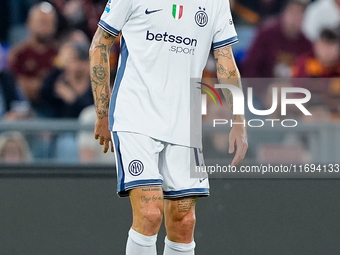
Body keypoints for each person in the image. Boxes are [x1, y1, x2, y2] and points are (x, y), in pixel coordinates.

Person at [90, 0, 248, 254]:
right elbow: (100, 43)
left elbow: (225, 59)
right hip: (136, 115)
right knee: (150, 214)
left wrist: (239, 120)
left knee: (184, 222)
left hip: (185, 124)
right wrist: (102, 112)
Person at [242, 0, 312, 81]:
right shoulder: (266, 34)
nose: (295, 18)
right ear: (284, 13)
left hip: (291, 90)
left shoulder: (307, 45)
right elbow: (251, 67)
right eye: (292, 12)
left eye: (300, 14)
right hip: (262, 86)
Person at [8, 2, 58, 105]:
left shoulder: (60, 52)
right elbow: (20, 88)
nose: (46, 27)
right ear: (29, 23)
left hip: (55, 108)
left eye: (50, 23)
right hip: (25, 106)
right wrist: (47, 86)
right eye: (42, 22)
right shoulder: (18, 54)